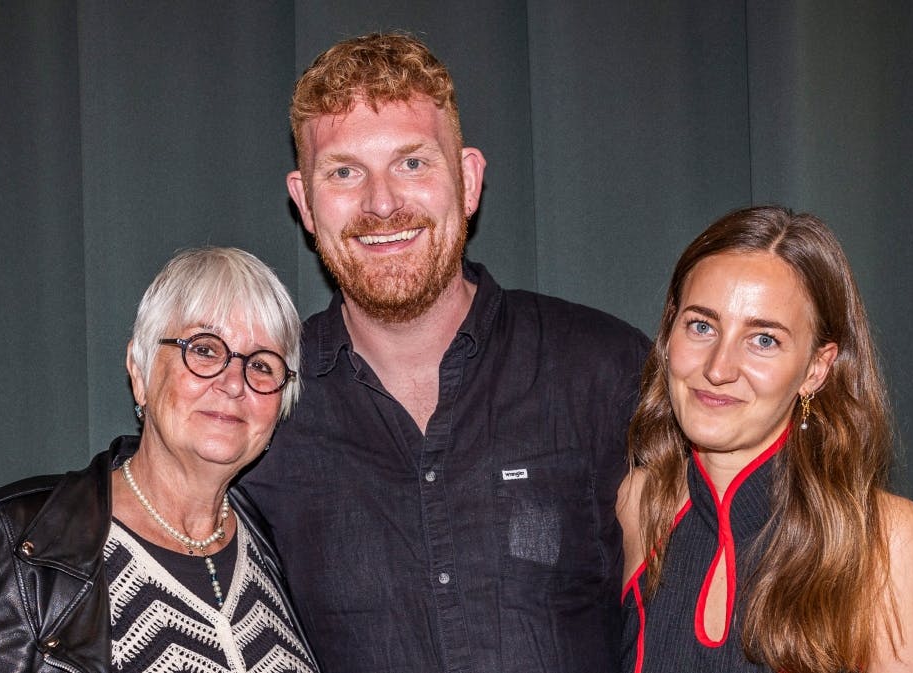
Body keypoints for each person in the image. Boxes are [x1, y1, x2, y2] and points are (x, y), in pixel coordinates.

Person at [239, 32, 651, 673]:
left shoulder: (606, 372)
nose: (381, 203)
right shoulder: (261, 404)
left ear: (468, 181)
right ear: (305, 204)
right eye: (345, 172)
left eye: (412, 163)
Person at [0, 247, 320, 673]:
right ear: (140, 371)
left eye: (261, 364)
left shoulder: (269, 542)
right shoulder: (27, 543)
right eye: (205, 349)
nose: (233, 383)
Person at [618, 206, 913, 673]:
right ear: (669, 334)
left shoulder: (885, 541)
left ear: (816, 369)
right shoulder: (637, 504)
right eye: (702, 326)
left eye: (763, 340)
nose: (718, 368)